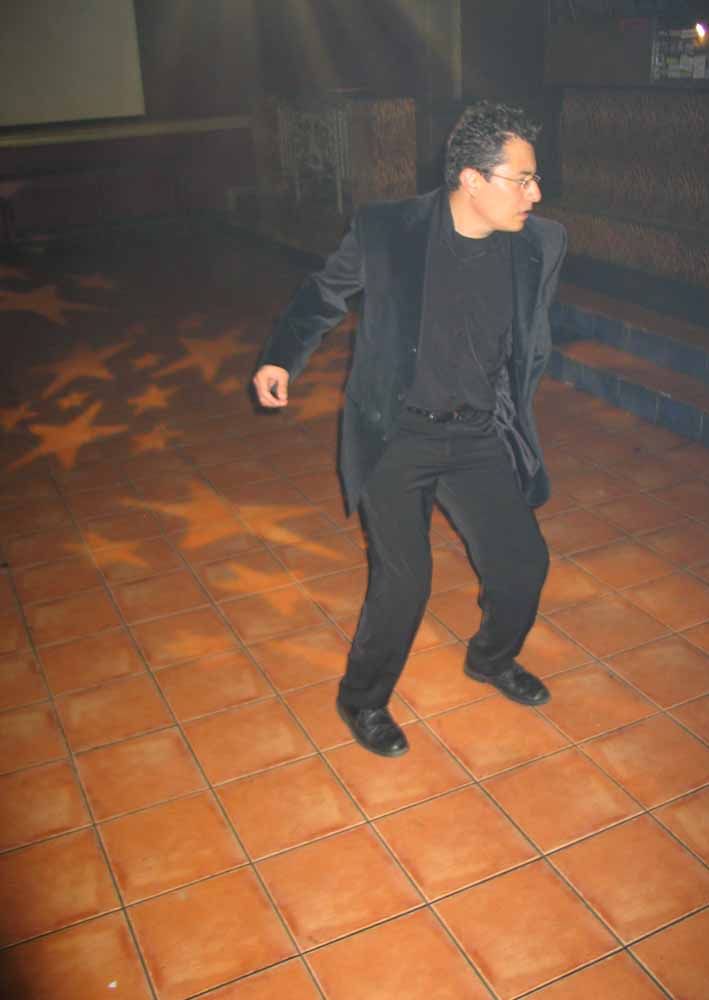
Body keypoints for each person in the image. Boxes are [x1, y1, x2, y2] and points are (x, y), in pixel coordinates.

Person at [253, 101, 567, 758]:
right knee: (405, 579)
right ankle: (362, 698)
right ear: (472, 180)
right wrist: (281, 355)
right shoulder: (389, 231)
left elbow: (527, 343)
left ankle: (491, 658)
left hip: (477, 433)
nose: (535, 193)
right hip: (397, 433)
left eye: (535, 178)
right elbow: (324, 293)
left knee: (523, 562)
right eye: (522, 179)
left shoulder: (540, 244)